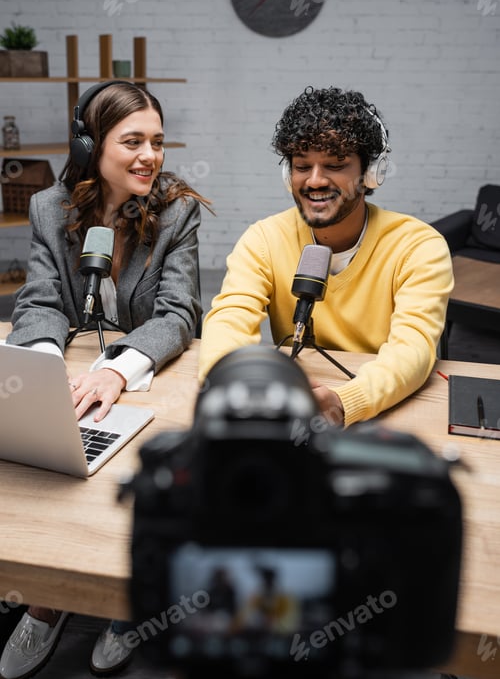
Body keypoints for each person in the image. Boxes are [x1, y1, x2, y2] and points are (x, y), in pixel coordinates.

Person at [0, 80, 212, 679]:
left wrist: (119, 370)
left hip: (150, 379)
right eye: (134, 141)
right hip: (70, 376)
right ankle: (46, 601)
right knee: (49, 474)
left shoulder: (177, 210)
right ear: (90, 145)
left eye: (159, 142)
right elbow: (39, 300)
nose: (151, 156)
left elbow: (179, 313)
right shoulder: (50, 207)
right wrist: (42, 366)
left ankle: (123, 605)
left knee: (139, 487)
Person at [198, 85, 453, 428]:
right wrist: (235, 388)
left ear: (371, 174)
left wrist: (344, 401)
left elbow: (414, 349)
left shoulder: (419, 246)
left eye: (334, 165)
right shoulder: (264, 239)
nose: (314, 181)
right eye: (302, 166)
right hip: (289, 404)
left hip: (386, 413)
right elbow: (228, 321)